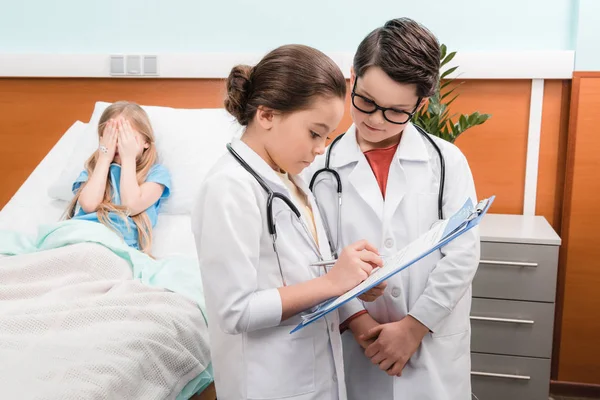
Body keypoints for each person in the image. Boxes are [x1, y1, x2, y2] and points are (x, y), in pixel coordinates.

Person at [191, 44, 385, 400]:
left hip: (312, 379)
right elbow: (236, 311)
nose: (320, 149)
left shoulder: (293, 182)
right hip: (269, 384)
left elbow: (303, 277)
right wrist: (332, 282)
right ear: (266, 115)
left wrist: (351, 282)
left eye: (326, 137)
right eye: (315, 133)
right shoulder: (228, 188)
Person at [306, 18, 480, 400]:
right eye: (366, 101)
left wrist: (414, 327)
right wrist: (358, 321)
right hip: (358, 345)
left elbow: (462, 255)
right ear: (352, 79)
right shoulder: (319, 168)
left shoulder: (447, 162)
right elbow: (318, 257)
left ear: (420, 103)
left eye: (396, 111)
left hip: (430, 343)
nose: (374, 120)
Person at [65, 101, 171, 254]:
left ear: (146, 142)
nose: (119, 144)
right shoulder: (94, 171)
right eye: (112, 137)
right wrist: (104, 158)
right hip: (80, 237)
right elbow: (88, 205)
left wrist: (128, 158)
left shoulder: (156, 174)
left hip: (118, 247)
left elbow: (131, 206)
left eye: (126, 137)